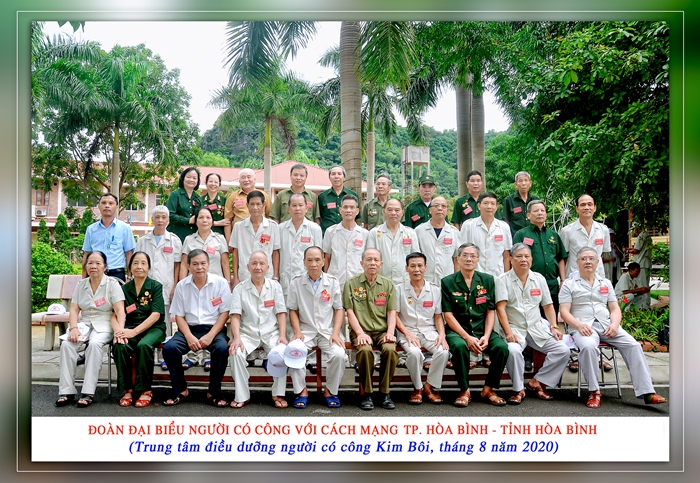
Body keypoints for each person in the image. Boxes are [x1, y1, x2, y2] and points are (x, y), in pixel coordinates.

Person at [559, 247, 667, 408]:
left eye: (591, 259)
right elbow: (564, 311)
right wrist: (578, 325)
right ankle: (594, 392)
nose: (588, 262)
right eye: (584, 259)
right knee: (588, 347)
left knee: (633, 345)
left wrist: (615, 324)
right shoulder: (569, 284)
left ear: (597, 262)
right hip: (582, 326)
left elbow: (615, 309)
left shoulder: (606, 283)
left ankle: (647, 392)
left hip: (606, 324)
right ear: (577, 262)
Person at [496, 243, 569, 404]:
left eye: (527, 256)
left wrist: (554, 326)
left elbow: (548, 306)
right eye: (519, 256)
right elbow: (500, 309)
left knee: (563, 350)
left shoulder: (539, 279)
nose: (523, 259)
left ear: (531, 259)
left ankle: (538, 381)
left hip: (537, 328)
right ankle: (518, 389)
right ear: (511, 259)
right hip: (514, 328)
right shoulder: (502, 280)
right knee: (513, 350)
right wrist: (508, 333)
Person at [441, 243, 509, 407]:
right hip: (458, 330)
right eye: (465, 255)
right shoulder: (447, 282)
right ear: (458, 259)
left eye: (473, 256)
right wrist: (467, 337)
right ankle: (464, 390)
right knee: (459, 347)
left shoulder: (487, 280)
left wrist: (486, 335)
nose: (469, 259)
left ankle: (488, 389)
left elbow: (490, 311)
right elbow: (448, 315)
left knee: (501, 347)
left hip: (481, 329)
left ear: (478, 259)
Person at [55, 251, 126, 407]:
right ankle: (66, 391)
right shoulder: (81, 285)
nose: (93, 266)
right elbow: (74, 309)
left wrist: (119, 331)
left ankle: (88, 392)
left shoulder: (112, 284)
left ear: (105, 267)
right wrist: (73, 328)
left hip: (105, 324)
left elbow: (120, 310)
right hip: (84, 324)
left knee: (94, 344)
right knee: (66, 345)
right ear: (86, 266)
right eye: (90, 263)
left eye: (98, 263)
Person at [162, 249, 231, 407]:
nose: (199, 267)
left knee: (221, 349)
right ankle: (180, 390)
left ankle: (213, 392)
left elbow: (225, 313)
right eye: (195, 264)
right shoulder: (182, 286)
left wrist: (210, 335)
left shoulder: (220, 283)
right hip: (189, 329)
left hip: (214, 329)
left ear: (208, 264)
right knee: (170, 349)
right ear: (188, 266)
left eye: (203, 263)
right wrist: (189, 336)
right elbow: (179, 316)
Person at [287, 246, 347, 408]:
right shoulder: (296, 282)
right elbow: (293, 309)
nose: (313, 264)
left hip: (327, 331)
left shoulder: (332, 282)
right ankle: (301, 391)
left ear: (323, 262)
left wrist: (336, 333)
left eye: (317, 260)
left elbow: (339, 309)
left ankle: (331, 391)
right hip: (305, 330)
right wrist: (297, 331)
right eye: (310, 260)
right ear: (304, 262)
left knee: (339, 354)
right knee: (294, 351)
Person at [228, 251, 289, 408]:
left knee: (282, 352)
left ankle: (278, 393)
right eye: (254, 263)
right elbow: (235, 315)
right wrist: (237, 338)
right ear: (248, 267)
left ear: (268, 267)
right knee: (235, 353)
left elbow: (281, 313)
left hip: (271, 333)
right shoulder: (240, 288)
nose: (258, 267)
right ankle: (242, 395)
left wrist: (282, 335)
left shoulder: (275, 287)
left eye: (262, 264)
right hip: (248, 333)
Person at [343, 249, 399, 411]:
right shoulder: (351, 284)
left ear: (381, 264)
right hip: (361, 330)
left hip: (382, 331)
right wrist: (360, 333)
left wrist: (390, 332)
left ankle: (385, 392)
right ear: (362, 263)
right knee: (365, 351)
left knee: (390, 350)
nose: (372, 263)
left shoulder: (388, 285)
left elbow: (392, 312)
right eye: (368, 259)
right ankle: (367, 393)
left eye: (376, 260)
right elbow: (349, 311)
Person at [112, 252, 166, 408]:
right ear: (130, 268)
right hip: (129, 326)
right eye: (135, 263)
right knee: (120, 345)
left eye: (143, 263)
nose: (139, 266)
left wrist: (133, 332)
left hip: (153, 328)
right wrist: (118, 332)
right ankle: (128, 389)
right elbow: (114, 315)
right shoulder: (123, 289)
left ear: (149, 267)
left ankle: (145, 390)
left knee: (144, 345)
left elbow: (156, 315)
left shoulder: (155, 286)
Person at [180, 206, 231, 370]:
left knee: (212, 320)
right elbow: (184, 264)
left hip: (215, 288)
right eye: (201, 217)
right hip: (193, 287)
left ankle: (209, 356)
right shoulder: (189, 239)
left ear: (212, 221)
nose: (205, 220)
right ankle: (192, 355)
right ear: (196, 221)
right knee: (193, 319)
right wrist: (181, 284)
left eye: (208, 217)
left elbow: (225, 262)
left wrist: (228, 283)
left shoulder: (219, 239)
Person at [395, 252, 449, 405]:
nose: (416, 269)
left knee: (443, 351)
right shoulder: (399, 289)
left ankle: (429, 386)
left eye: (420, 266)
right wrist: (406, 333)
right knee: (414, 353)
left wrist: (442, 335)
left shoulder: (434, 290)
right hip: (408, 330)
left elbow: (438, 316)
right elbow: (395, 316)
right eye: (412, 266)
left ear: (426, 267)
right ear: (406, 268)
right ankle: (417, 388)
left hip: (429, 330)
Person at [135, 205, 182, 366]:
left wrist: (176, 286)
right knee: (147, 319)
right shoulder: (143, 240)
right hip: (146, 288)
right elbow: (137, 263)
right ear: (152, 219)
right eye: (157, 217)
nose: (160, 220)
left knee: (166, 322)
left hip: (167, 286)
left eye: (163, 217)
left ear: (168, 220)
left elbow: (177, 265)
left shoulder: (174, 240)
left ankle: (164, 356)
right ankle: (149, 354)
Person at [512, 200, 568, 315]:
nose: (540, 213)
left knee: (551, 315)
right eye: (536, 211)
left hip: (552, 284)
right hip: (529, 283)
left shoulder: (553, 235)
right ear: (528, 215)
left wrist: (563, 280)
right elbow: (515, 259)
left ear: (546, 214)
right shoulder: (521, 234)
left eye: (542, 210)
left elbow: (560, 258)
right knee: (532, 315)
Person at [229, 190, 280, 287]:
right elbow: (235, 252)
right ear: (247, 205)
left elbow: (275, 252)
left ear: (264, 205)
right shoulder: (239, 226)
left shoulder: (273, 226)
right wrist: (235, 277)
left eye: (258, 204)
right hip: (245, 275)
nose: (255, 207)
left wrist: (275, 276)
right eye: (252, 204)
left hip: (267, 276)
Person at [81, 193, 135, 282]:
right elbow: (86, 254)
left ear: (116, 207)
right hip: (95, 273)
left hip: (116, 274)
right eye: (104, 203)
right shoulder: (91, 229)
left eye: (110, 203)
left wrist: (129, 277)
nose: (107, 206)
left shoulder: (125, 228)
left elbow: (129, 254)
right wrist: (83, 280)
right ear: (99, 206)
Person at [278, 193, 323, 300]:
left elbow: (319, 256)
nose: (297, 208)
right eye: (294, 205)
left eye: (300, 205)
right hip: (286, 280)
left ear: (306, 208)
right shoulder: (280, 229)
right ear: (288, 209)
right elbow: (276, 254)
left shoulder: (314, 228)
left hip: (308, 279)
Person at [366, 198, 420, 285]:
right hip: (381, 283)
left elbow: (416, 259)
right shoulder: (374, 233)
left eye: (397, 210)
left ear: (402, 212)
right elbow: (369, 259)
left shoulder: (410, 233)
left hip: (405, 283)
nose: (393, 213)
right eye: (389, 210)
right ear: (384, 212)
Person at [460, 192, 512, 277]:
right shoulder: (468, 226)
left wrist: (506, 276)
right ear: (479, 206)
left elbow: (506, 255)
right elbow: (462, 253)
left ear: (496, 207)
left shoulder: (504, 227)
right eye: (485, 203)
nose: (489, 207)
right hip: (474, 275)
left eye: (492, 204)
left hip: (497, 275)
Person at [323, 194, 368, 290]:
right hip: (335, 281)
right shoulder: (330, 232)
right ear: (340, 210)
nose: (348, 210)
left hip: (358, 282)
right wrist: (325, 280)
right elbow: (327, 258)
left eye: (352, 207)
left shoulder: (365, 234)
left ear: (357, 211)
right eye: (345, 207)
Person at [559, 194, 610, 279]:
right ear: (577, 208)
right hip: (574, 278)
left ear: (595, 208)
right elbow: (563, 258)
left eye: (590, 204)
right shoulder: (567, 231)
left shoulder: (603, 230)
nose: (586, 207)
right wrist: (563, 280)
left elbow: (602, 254)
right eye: (582, 205)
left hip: (598, 277)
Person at [414, 196, 461, 284]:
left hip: (447, 280)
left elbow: (457, 260)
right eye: (436, 206)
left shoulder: (454, 232)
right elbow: (415, 258)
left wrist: (456, 282)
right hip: (425, 280)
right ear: (430, 210)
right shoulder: (419, 231)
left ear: (447, 211)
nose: (440, 208)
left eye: (443, 206)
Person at [223, 168, 272, 244]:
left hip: (261, 235)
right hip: (240, 236)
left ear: (254, 180)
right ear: (239, 181)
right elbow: (227, 221)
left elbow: (270, 216)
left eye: (249, 177)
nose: (246, 180)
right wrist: (228, 241)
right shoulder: (233, 196)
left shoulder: (264, 195)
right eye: (243, 177)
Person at [317, 165, 359, 235]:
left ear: (344, 177)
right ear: (329, 178)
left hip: (348, 234)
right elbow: (319, 217)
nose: (336, 176)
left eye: (339, 174)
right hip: (327, 235)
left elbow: (356, 217)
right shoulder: (322, 196)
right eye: (333, 174)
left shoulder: (353, 195)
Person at [166, 167, 202, 242]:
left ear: (197, 181)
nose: (191, 180)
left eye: (194, 178)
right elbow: (170, 214)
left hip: (193, 237)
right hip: (175, 235)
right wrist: (188, 220)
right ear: (183, 178)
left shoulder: (198, 198)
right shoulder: (175, 194)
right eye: (188, 177)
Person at [625, 225, 653, 309]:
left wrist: (627, 251)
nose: (633, 232)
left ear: (637, 229)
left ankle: (644, 306)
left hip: (641, 264)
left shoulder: (641, 236)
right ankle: (646, 304)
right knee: (645, 284)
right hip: (646, 263)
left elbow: (636, 250)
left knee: (642, 285)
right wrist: (629, 249)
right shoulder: (647, 236)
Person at [502, 171, 539, 235]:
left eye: (526, 180)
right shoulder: (509, 200)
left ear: (530, 183)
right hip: (516, 237)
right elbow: (505, 221)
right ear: (516, 184)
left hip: (534, 235)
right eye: (520, 181)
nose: (523, 183)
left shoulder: (535, 200)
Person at [200, 172, 231, 237]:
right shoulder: (199, 201)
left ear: (219, 185)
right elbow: (196, 220)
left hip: (220, 236)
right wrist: (217, 223)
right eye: (210, 181)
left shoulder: (225, 200)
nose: (213, 184)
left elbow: (227, 221)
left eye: (216, 182)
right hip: (203, 235)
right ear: (206, 183)